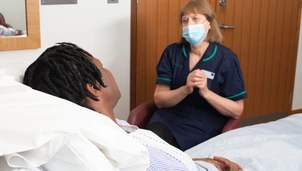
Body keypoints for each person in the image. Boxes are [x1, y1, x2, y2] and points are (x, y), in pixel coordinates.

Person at [23, 42, 243, 171]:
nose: (109, 71)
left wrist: (198, 161)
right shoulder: (128, 156)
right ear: (93, 87)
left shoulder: (111, 126)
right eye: (102, 67)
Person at [146, 0, 247, 151]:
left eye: (195, 19)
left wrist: (206, 93)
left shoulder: (226, 59)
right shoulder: (172, 52)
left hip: (206, 122)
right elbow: (160, 100)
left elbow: (237, 110)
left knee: (174, 154)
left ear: (209, 24)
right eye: (184, 20)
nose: (189, 25)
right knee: (150, 145)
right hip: (170, 117)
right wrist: (185, 89)